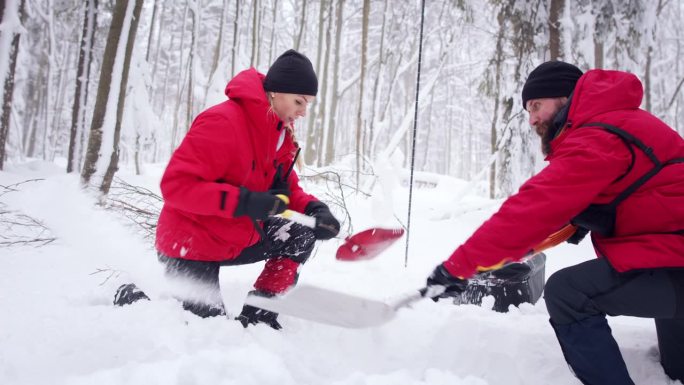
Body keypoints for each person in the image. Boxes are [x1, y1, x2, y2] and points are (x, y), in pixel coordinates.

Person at [425, 61, 684, 384]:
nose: (531, 118)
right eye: (527, 110)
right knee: (675, 372)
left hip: (673, 261)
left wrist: (459, 266)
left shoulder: (598, 136)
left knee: (568, 292)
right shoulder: (618, 123)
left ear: (566, 98)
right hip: (671, 254)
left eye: (536, 105)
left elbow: (532, 208)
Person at [121, 49, 340, 329]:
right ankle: (132, 299)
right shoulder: (223, 122)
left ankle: (261, 310)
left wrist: (314, 209)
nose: (303, 111)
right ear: (275, 92)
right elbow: (176, 186)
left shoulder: (279, 134)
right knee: (206, 330)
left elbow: (287, 189)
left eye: (307, 104)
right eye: (299, 101)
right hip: (190, 244)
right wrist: (245, 202)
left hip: (235, 237)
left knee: (298, 234)